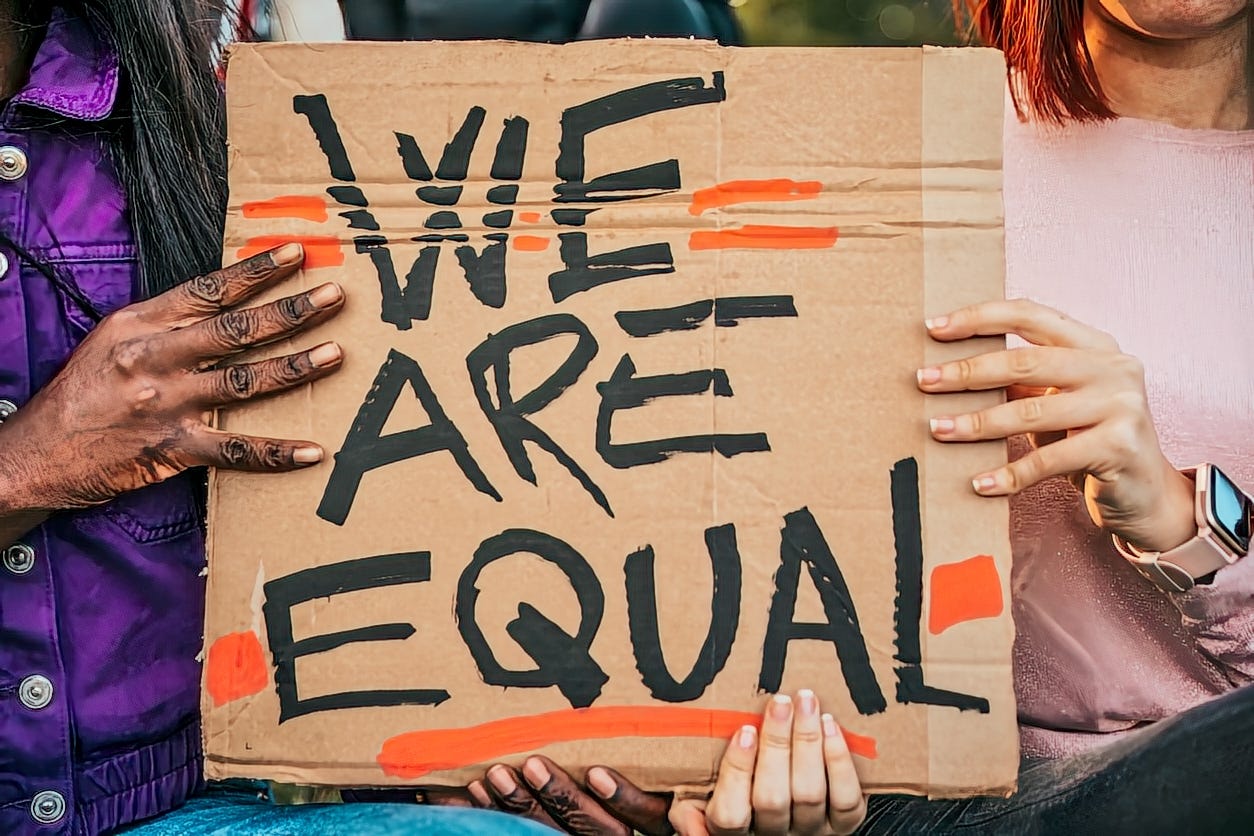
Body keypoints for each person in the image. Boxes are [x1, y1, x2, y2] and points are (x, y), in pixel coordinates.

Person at [435, 1, 1254, 833]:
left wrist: (1190, 525)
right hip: (918, 800)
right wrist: (673, 760)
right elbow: (684, 491)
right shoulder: (869, 141)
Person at [0, 2, 549, 833]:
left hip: (188, 799)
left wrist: (468, 747)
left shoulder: (203, 90)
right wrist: (26, 467)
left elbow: (374, 460)